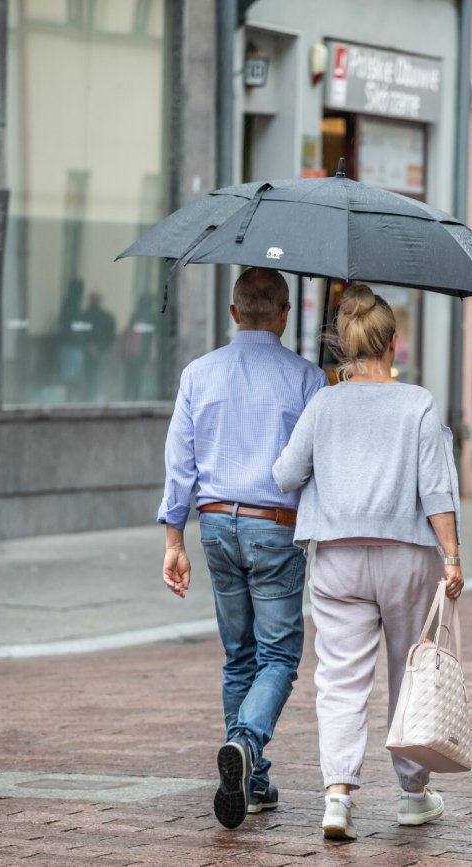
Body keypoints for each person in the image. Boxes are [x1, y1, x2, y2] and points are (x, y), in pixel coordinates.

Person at [272, 284, 462, 843]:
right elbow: (437, 490)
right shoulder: (419, 403)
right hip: (406, 556)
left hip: (337, 556)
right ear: (393, 344)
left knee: (339, 677)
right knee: (410, 672)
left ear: (344, 346)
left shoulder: (324, 402)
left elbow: (285, 474)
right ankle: (412, 795)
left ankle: (338, 797)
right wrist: (452, 557)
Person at [158, 267, 327, 830]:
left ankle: (250, 781)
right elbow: (316, 465)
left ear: (234, 314)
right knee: (279, 656)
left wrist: (172, 539)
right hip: (274, 524)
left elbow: (179, 461)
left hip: (214, 525)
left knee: (240, 655)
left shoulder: (197, 374)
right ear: (284, 314)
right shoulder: (307, 378)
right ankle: (247, 747)